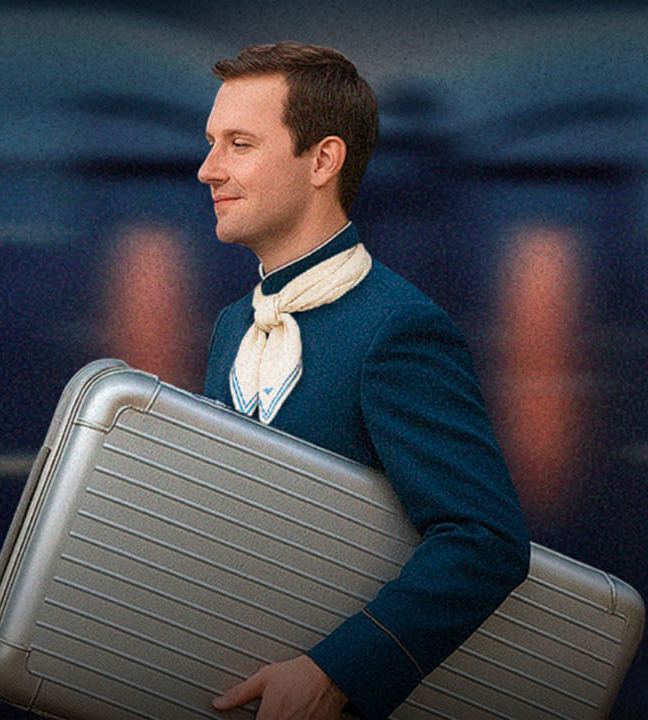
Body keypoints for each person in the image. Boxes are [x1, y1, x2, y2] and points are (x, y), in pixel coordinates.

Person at [194, 42, 531, 720]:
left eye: (239, 144)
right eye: (212, 144)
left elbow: (485, 540)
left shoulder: (399, 329)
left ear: (323, 161)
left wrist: (335, 672)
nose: (208, 170)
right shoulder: (234, 325)